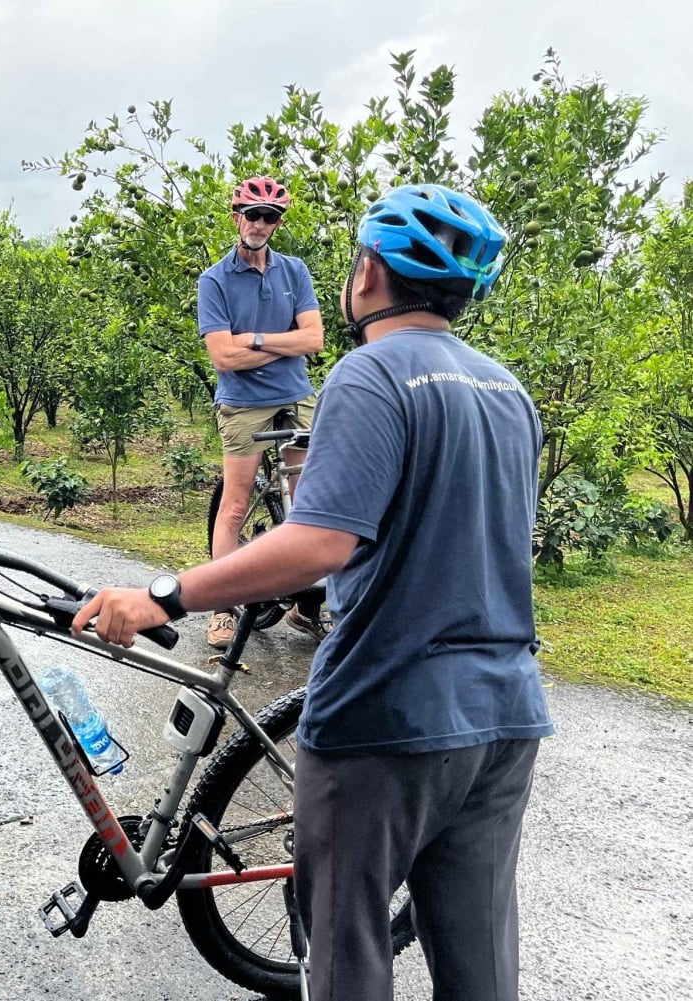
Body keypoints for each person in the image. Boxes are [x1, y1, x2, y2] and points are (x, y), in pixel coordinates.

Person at [72, 185, 554, 1001]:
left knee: (345, 956)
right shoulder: (510, 393)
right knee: (479, 966)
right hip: (506, 716)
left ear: (367, 274)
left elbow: (318, 543)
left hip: (386, 719)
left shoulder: (370, 377)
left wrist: (164, 595)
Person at [198, 175, 326, 648]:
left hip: (295, 395)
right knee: (234, 505)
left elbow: (314, 339)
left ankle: (305, 607)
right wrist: (283, 346)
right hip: (243, 404)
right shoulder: (214, 280)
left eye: (269, 217)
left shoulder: (295, 271)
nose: (259, 223)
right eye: (252, 214)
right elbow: (222, 358)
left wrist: (252, 339)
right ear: (237, 218)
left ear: (277, 224)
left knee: (309, 503)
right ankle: (222, 609)